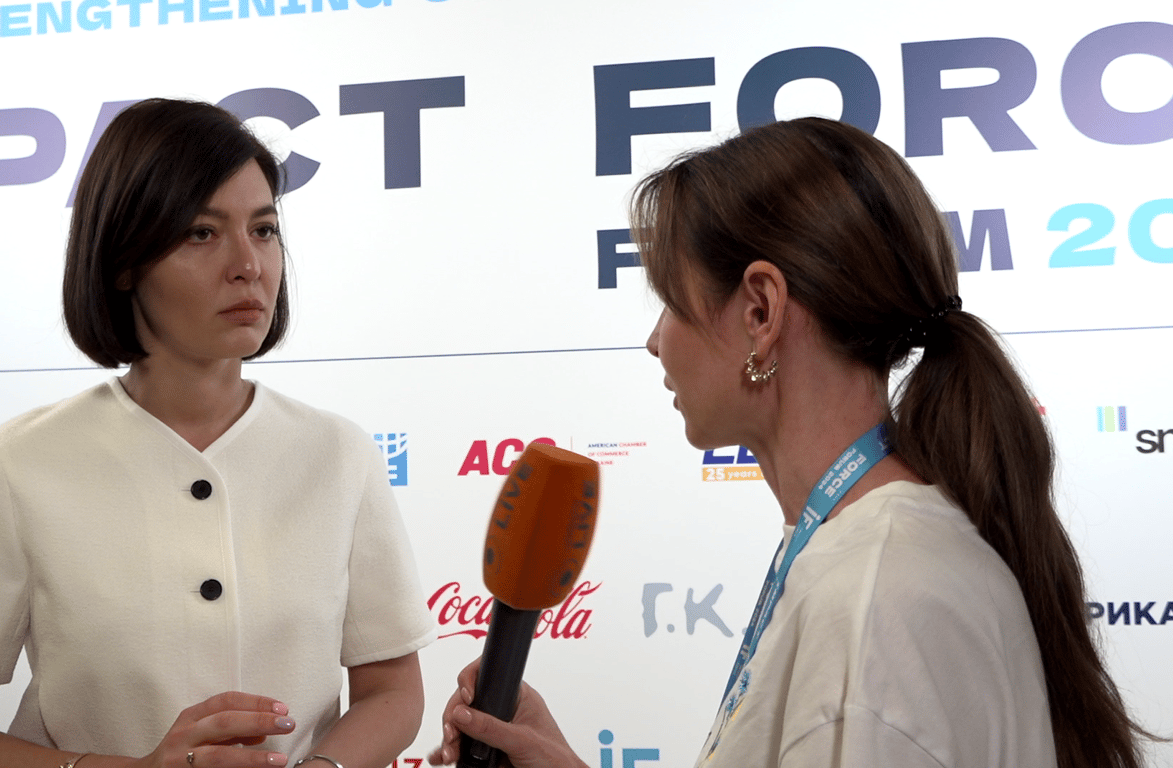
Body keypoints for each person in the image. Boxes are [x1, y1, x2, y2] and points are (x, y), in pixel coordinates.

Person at [427, 118, 1152, 768]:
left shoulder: (873, 599)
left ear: (761, 311)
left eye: (669, 303)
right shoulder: (871, 558)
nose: (654, 342)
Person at [0, 98, 435, 768]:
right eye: (201, 233)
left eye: (264, 229)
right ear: (124, 262)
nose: (249, 264)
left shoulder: (340, 455)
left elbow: (393, 693)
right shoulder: (18, 463)